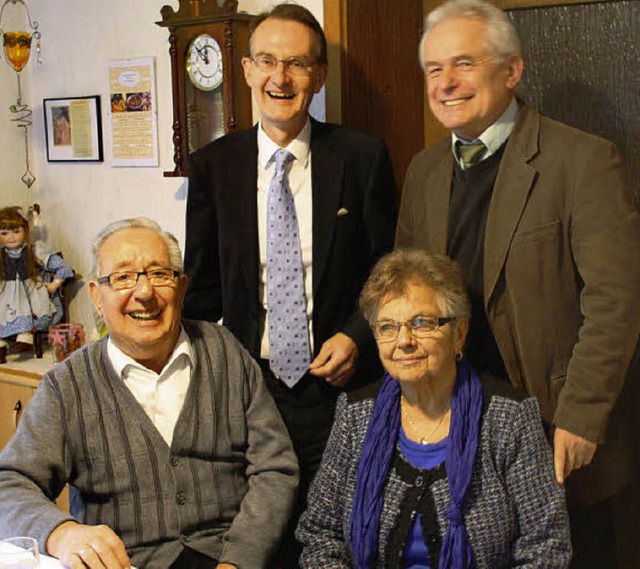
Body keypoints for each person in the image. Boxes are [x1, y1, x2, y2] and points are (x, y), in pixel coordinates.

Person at [395, 1, 640, 565]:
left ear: (512, 71)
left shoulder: (583, 161)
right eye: (433, 69)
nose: (446, 83)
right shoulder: (424, 171)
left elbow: (616, 302)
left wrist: (581, 416)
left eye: (464, 63)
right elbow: (408, 294)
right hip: (455, 428)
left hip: (556, 431)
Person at [183, 4, 396, 564]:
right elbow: (202, 291)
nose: (281, 78)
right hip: (250, 393)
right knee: (265, 538)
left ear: (319, 76)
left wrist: (357, 334)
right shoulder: (213, 166)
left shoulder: (361, 157)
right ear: (248, 70)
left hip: (343, 394)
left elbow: (389, 272)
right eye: (269, 62)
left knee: (346, 535)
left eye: (298, 64)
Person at [0, 217, 299, 569]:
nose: (144, 292)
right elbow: (10, 483)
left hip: (231, 557)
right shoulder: (67, 384)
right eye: (123, 277)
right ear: (97, 296)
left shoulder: (225, 352)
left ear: (182, 288)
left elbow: (275, 468)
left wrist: (240, 558)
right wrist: (62, 533)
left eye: (160, 274)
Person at [297, 248, 571, 567]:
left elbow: (547, 544)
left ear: (459, 333)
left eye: (421, 323)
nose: (404, 341)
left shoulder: (509, 419)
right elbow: (319, 534)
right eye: (387, 327)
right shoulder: (355, 416)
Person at [0, 206, 74, 363]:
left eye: (16, 231)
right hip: (5, 297)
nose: (11, 237)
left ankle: (25, 334)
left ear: (25, 231)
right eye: (4, 233)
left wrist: (54, 284)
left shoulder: (35, 250)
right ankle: (2, 341)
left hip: (31, 295)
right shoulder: (1, 256)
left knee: (22, 301)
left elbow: (63, 267)